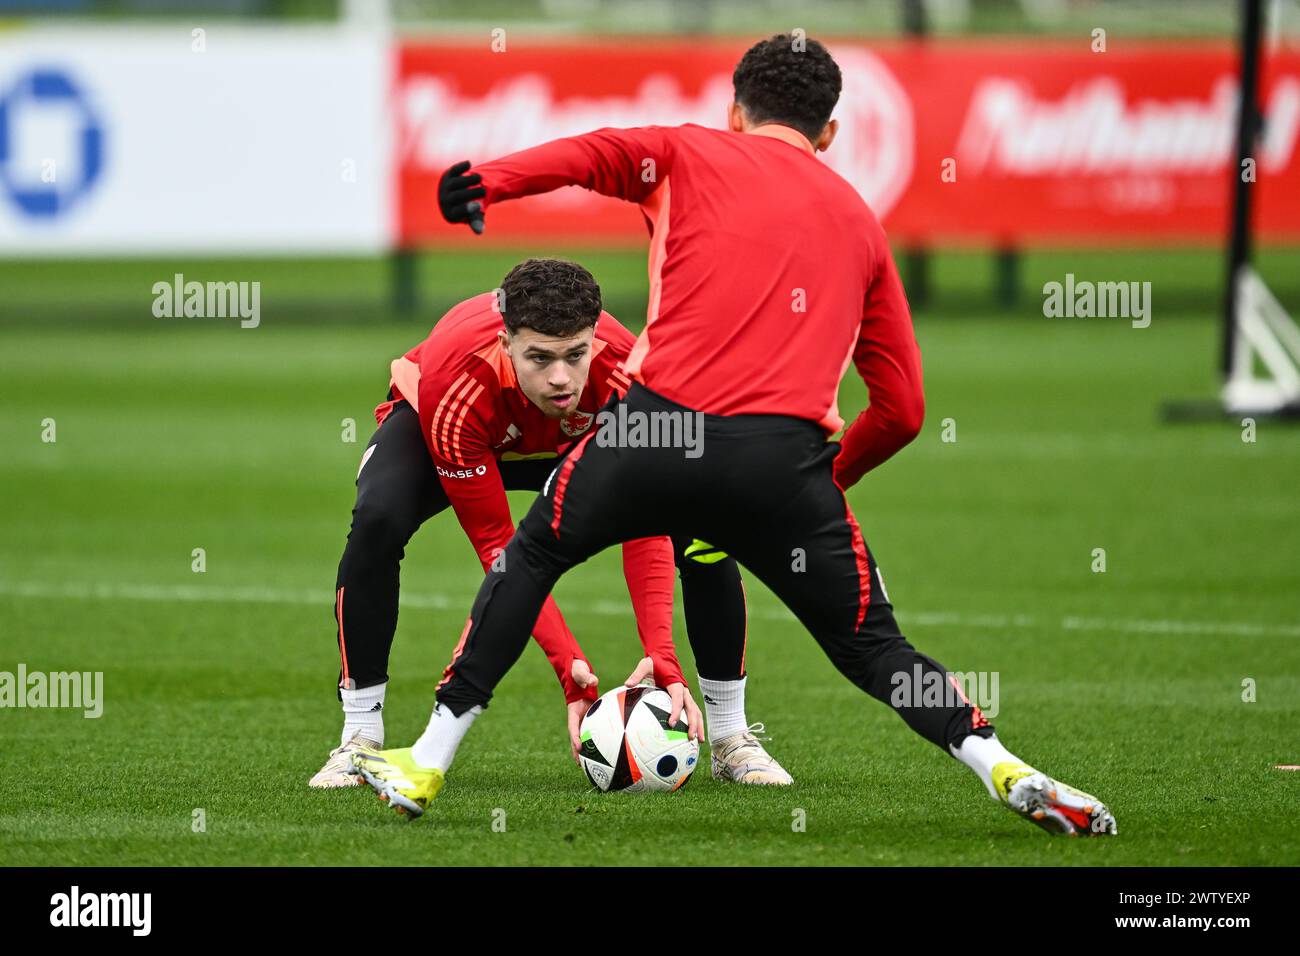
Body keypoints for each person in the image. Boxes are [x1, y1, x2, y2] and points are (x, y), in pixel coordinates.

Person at [351, 35, 1116, 836]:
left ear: (735, 112)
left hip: (655, 429)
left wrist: (486, 183)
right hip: (784, 462)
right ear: (829, 135)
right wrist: (823, 485)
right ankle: (1004, 765)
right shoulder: (860, 222)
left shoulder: (686, 153)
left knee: (533, 555)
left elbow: (592, 152)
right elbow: (904, 409)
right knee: (875, 648)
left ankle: (427, 760)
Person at [313, 257, 792, 789]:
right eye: (539, 357)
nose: (560, 378)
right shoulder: (458, 384)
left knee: (704, 524)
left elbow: (645, 521)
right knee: (378, 519)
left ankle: (730, 736)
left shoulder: (630, 380)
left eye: (574, 355)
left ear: (594, 340)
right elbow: (502, 550)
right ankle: (359, 737)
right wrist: (570, 671)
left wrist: (662, 654)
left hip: (572, 439)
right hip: (466, 429)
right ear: (505, 342)